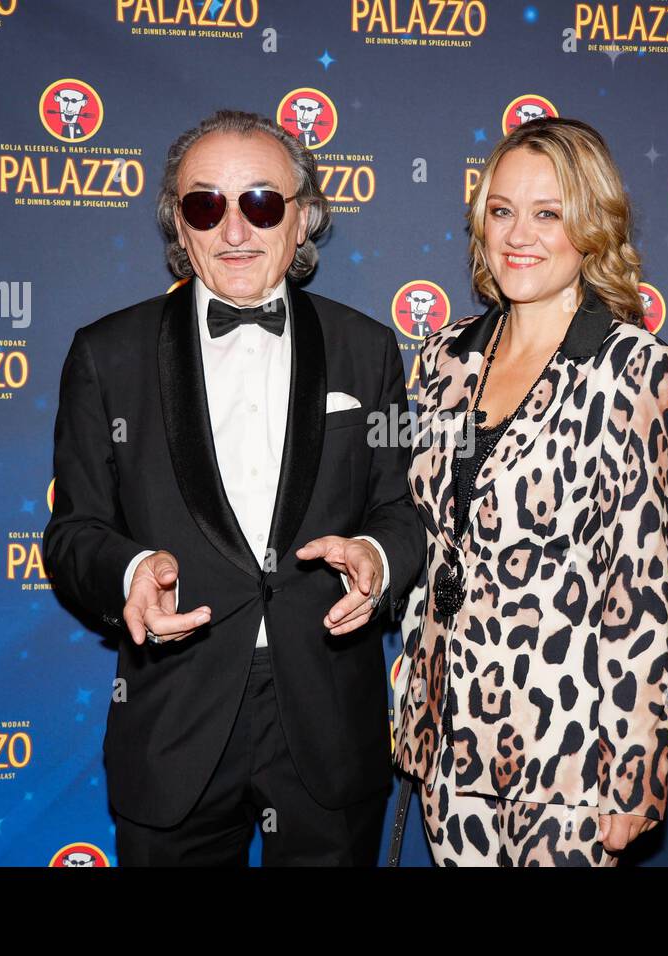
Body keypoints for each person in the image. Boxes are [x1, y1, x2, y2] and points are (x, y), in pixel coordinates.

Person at [43, 109, 423, 866]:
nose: (235, 230)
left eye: (260, 202)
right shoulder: (105, 355)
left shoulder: (367, 348)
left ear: (303, 219)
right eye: (205, 205)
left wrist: (377, 559)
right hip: (175, 721)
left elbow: (400, 509)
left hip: (326, 720)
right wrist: (128, 572)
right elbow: (73, 530)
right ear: (179, 228)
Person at [392, 117, 668, 866]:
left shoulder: (628, 366)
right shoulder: (443, 357)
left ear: (590, 227)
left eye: (547, 213)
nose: (519, 234)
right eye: (502, 210)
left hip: (571, 748)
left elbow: (637, 584)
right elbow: (426, 542)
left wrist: (635, 766)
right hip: (450, 738)